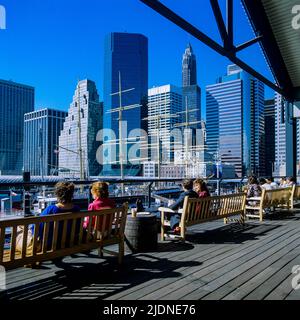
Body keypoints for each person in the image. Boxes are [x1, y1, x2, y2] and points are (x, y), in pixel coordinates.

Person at [37, 182, 80, 249]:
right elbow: (78, 228)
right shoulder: (76, 209)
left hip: (51, 245)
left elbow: (39, 228)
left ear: (57, 194)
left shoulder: (51, 209)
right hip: (70, 242)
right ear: (71, 194)